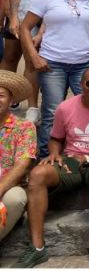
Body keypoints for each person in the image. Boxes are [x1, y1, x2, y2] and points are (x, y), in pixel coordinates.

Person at [15, 67, 89, 268]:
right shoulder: (66, 107)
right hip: (71, 161)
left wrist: (87, 158)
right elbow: (56, 138)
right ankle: (37, 247)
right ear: (81, 84)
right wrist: (54, 153)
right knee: (38, 173)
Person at [20, 0, 89, 156]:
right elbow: (25, 28)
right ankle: (45, 157)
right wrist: (34, 57)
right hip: (52, 65)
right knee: (52, 113)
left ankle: (85, 155)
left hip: (84, 65)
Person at [0, 70, 34, 242]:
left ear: (11, 100)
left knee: (15, 199)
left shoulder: (24, 127)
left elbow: (22, 164)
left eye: (1, 95)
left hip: (9, 186)